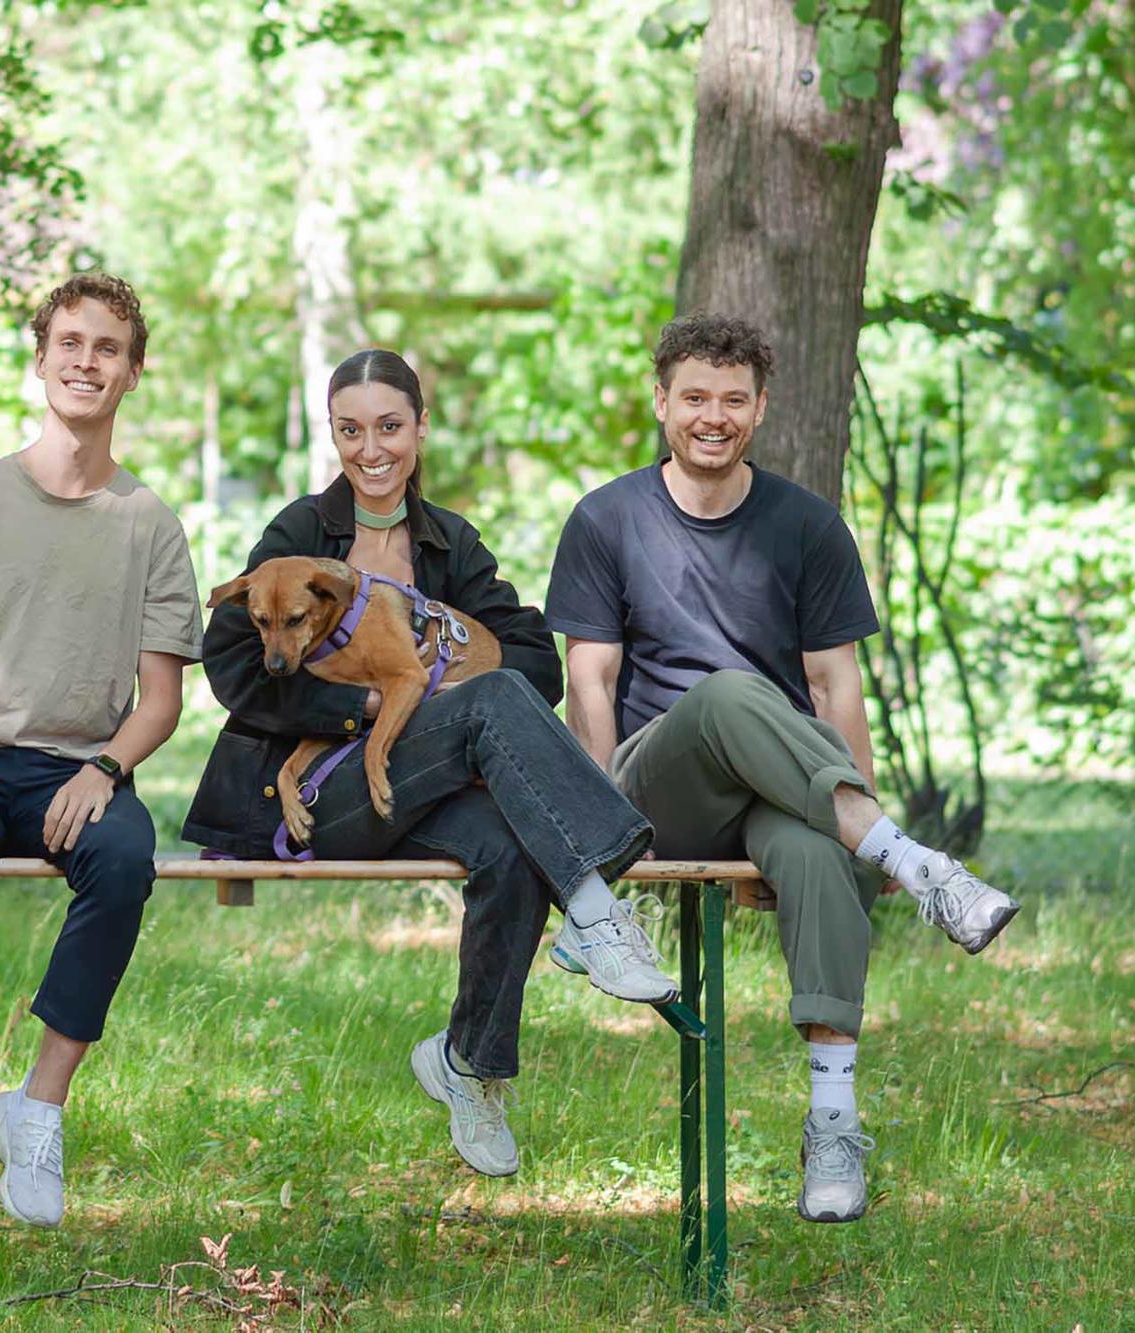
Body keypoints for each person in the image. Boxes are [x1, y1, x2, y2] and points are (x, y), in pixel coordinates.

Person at [548, 312, 1022, 1224]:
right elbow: (592, 683)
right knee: (728, 694)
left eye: (732, 399)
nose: (712, 416)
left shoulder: (807, 524)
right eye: (694, 398)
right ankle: (916, 862)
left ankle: (834, 1123)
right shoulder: (607, 518)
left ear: (761, 408)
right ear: (661, 403)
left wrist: (856, 810)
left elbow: (833, 684)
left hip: (781, 778)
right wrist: (596, 850)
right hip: (658, 782)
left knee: (812, 854)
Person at [183, 349, 674, 1180]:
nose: (370, 449)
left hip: (424, 786)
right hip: (322, 799)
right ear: (332, 433)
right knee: (486, 705)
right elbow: (235, 668)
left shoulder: (448, 541)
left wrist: (447, 669)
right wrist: (365, 706)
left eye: (389, 426)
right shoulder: (301, 535)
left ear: (420, 428)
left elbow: (532, 657)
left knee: (511, 831)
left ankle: (469, 1065)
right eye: (350, 429)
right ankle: (597, 906)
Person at [0, 273, 202, 1236]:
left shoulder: (149, 524)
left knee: (125, 857)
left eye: (108, 348)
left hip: (80, 765)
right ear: (41, 358)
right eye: (70, 342)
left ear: (132, 374)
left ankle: (38, 1105)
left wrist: (104, 770)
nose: (86, 361)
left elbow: (161, 701)